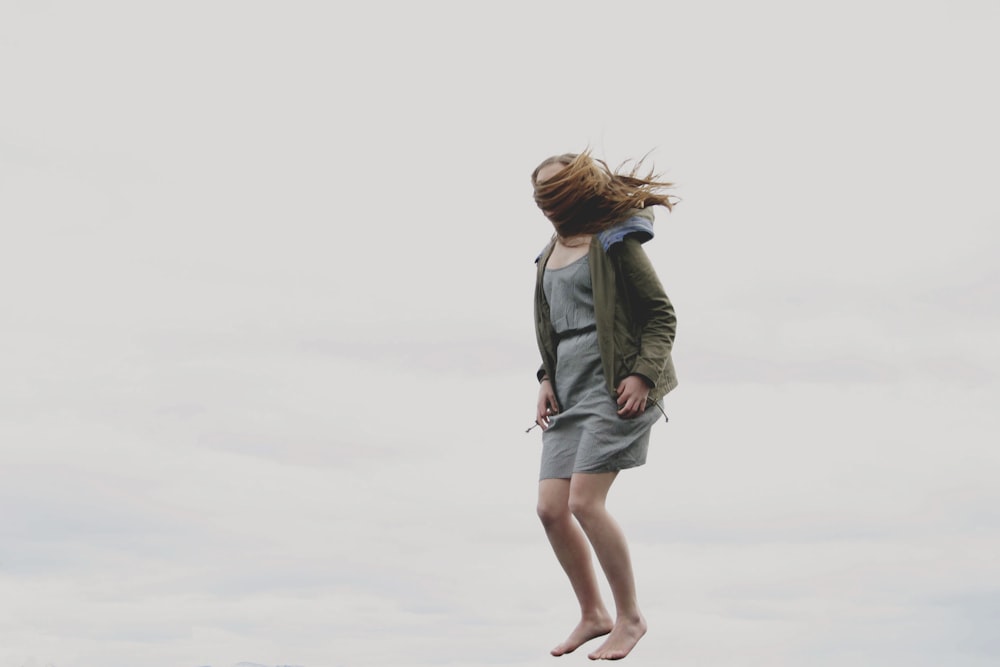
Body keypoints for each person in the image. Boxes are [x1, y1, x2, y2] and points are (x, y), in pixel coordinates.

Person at [529, 150, 678, 660]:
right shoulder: (551, 251)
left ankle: (630, 617)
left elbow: (661, 316)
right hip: (569, 389)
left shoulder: (615, 241)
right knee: (551, 509)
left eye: (553, 192)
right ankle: (594, 614)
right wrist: (547, 378)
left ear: (577, 190)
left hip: (615, 387)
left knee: (584, 503)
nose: (544, 202)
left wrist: (642, 376)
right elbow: (555, 323)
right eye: (539, 193)